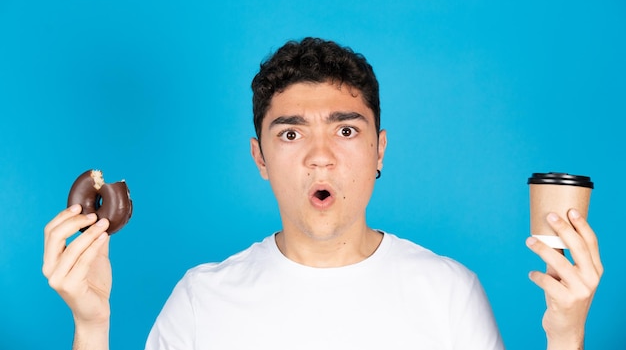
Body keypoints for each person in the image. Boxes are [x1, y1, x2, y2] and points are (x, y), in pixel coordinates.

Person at [43, 37, 603, 350]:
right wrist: (92, 326)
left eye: (345, 129)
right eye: (290, 133)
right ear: (259, 157)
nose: (320, 154)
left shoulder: (449, 293)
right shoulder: (200, 299)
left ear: (379, 151)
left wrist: (567, 332)